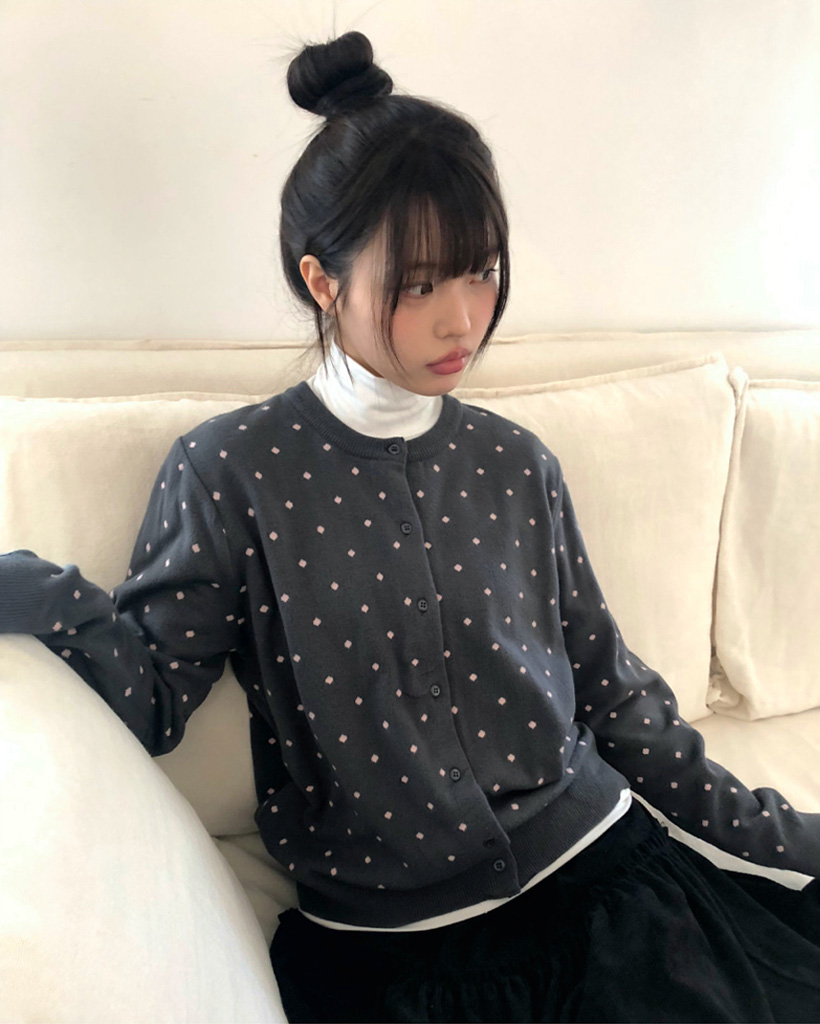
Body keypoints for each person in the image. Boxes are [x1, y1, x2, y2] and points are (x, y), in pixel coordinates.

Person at [2, 29, 819, 1024]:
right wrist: (34, 589)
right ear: (322, 282)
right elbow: (147, 698)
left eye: (481, 272)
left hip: (602, 883)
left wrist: (786, 835)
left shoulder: (516, 463)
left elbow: (615, 692)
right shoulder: (231, 474)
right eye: (421, 284)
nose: (463, 320)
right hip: (395, 950)